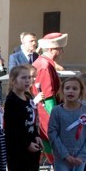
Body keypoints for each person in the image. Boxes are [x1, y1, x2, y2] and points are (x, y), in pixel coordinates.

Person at [0, 65, 41, 171]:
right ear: (13, 80)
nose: (27, 81)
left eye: (29, 78)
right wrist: (26, 143)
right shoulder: (12, 101)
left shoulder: (28, 97)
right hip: (16, 148)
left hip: (29, 146)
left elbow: (32, 121)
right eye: (23, 78)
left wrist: (36, 135)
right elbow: (13, 129)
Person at [32, 32, 69, 162]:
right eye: (60, 48)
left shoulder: (44, 63)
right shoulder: (45, 66)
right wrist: (56, 120)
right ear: (52, 49)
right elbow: (48, 97)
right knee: (55, 153)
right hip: (46, 115)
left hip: (45, 114)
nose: (62, 51)